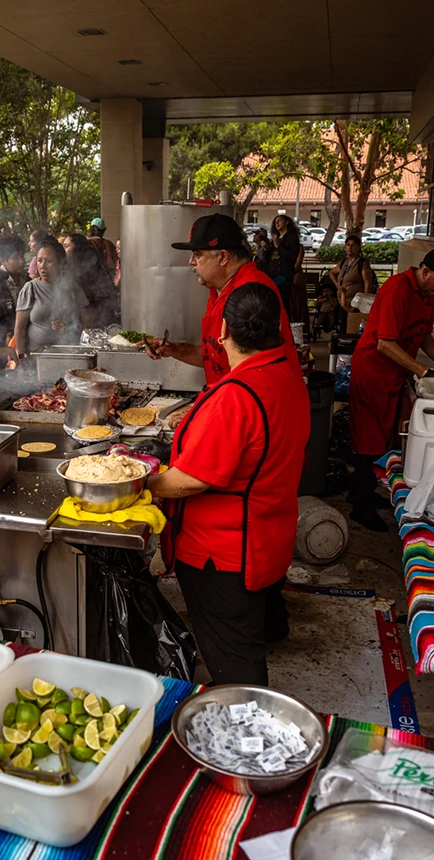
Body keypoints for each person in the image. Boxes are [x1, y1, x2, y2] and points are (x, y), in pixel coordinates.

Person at [147, 283, 310, 685]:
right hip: (267, 533)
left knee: (235, 665)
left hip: (222, 554)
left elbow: (190, 480)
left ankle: (248, 735)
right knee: (253, 624)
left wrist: (139, 484)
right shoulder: (286, 376)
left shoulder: (237, 396)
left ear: (222, 331)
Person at [348, 247, 434, 532]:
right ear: (425, 272)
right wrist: (422, 370)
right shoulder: (398, 289)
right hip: (372, 373)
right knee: (367, 439)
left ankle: (362, 491)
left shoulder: (428, 294)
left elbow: (423, 332)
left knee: (383, 438)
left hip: (395, 375)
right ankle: (359, 506)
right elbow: (384, 343)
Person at [144, 214, 296, 386]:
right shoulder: (219, 288)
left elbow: (256, 374)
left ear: (223, 257)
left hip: (256, 405)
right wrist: (173, 349)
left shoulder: (251, 293)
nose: (191, 262)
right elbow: (216, 355)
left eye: (197, 255)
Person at [14, 239, 91, 356]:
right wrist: (21, 356)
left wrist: (70, 328)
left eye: (48, 261)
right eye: (39, 261)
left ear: (60, 263)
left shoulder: (72, 288)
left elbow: (87, 323)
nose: (42, 266)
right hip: (37, 356)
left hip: (68, 354)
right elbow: (20, 328)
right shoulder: (30, 288)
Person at [63, 232, 119, 327]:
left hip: (95, 318)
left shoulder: (89, 267)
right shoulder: (68, 268)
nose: (63, 249)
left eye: (66, 246)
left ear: (77, 248)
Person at [329, 235, 376, 322]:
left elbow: (367, 284)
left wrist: (365, 304)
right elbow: (332, 272)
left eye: (353, 245)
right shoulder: (344, 262)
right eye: (348, 245)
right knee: (343, 327)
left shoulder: (362, 263)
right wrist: (337, 285)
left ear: (358, 247)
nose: (350, 247)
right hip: (342, 302)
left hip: (355, 304)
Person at [270, 215, 301, 320]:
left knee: (283, 304)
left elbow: (291, 256)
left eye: (279, 221)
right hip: (273, 274)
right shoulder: (276, 237)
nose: (277, 223)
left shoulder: (291, 237)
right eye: (275, 222)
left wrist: (278, 245)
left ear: (287, 222)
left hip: (284, 275)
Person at [0, 236, 30, 308]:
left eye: (22, 256)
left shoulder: (27, 279)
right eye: (15, 258)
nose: (22, 261)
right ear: (3, 261)